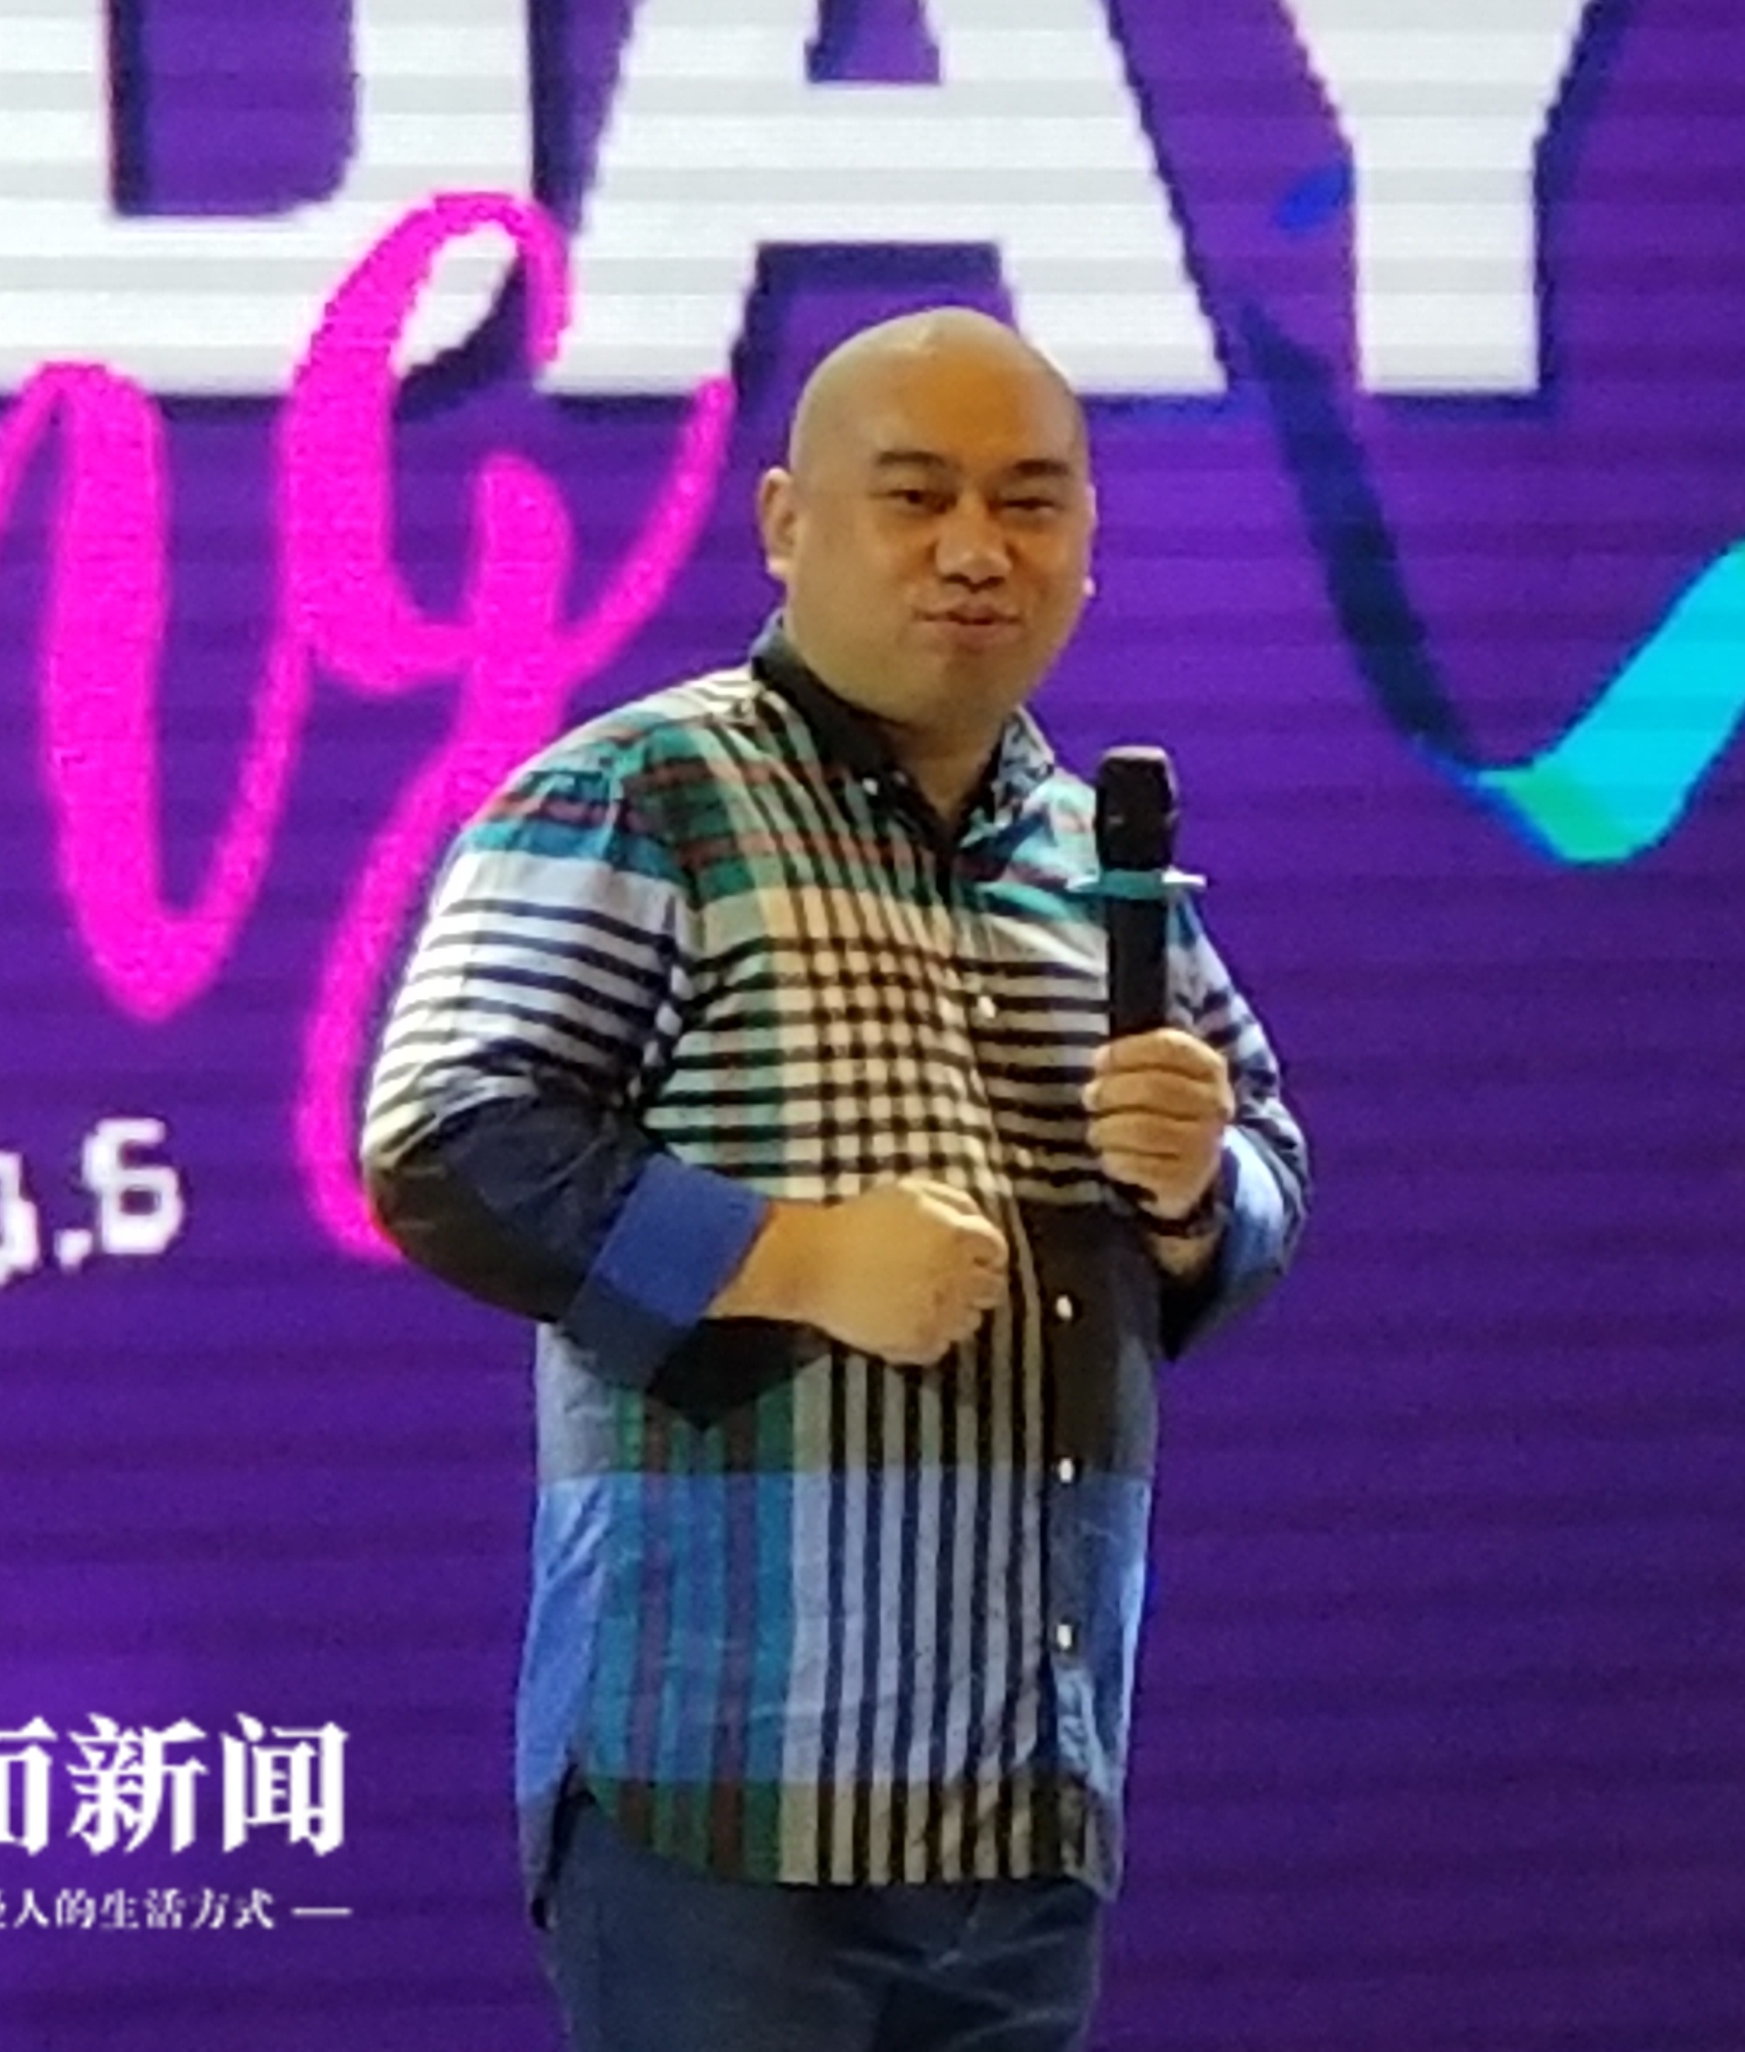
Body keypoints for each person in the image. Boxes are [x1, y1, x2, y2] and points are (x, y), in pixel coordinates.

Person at [362, 305, 1308, 2052]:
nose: (977, 550)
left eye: (1031, 501)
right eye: (918, 496)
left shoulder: (1096, 860)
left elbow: (1259, 1173)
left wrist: (1200, 1188)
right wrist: (789, 1258)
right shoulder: (642, 793)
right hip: (727, 1799)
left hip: (1025, 1796)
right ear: (788, 523)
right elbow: (445, 1136)